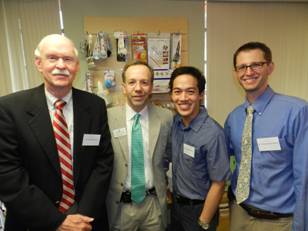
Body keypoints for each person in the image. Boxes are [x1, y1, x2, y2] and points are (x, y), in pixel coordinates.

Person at [0, 34, 114, 231]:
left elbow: (103, 162)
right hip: (34, 221)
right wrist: (57, 221)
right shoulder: (10, 108)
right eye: (52, 58)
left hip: (86, 220)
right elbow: (8, 173)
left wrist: (82, 216)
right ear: (39, 63)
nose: (61, 65)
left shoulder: (95, 106)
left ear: (77, 66)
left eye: (68, 59)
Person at [224, 41, 308, 231]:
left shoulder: (296, 112)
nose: (248, 72)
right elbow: (221, 159)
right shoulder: (234, 118)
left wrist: (301, 225)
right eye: (242, 67)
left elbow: (304, 177)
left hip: (278, 222)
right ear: (235, 73)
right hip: (240, 214)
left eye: (256, 65)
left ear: (270, 67)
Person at [106, 61, 173, 231]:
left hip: (153, 206)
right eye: (132, 82)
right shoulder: (107, 118)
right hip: (121, 208)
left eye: (144, 82)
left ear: (151, 87)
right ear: (123, 87)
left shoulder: (166, 117)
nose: (138, 88)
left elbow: (170, 156)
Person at [168, 66, 230, 231]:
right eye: (177, 91)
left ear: (201, 95)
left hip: (200, 209)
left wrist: (203, 222)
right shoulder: (175, 124)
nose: (183, 98)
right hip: (176, 207)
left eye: (190, 92)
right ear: (171, 95)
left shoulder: (213, 134)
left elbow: (219, 183)